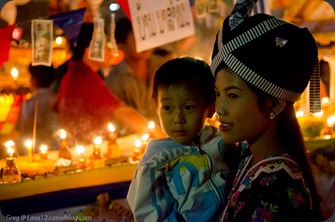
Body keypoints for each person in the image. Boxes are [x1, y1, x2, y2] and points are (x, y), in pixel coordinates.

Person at [211, 0, 324, 221]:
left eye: (232, 95)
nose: (219, 109)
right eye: (217, 93)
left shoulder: (277, 190)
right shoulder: (249, 157)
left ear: (274, 104)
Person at [127, 57, 239, 221]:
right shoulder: (156, 159)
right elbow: (147, 211)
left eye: (188, 107)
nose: (178, 118)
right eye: (167, 108)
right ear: (156, 107)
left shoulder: (223, 140)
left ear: (210, 108)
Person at [53, 10, 165, 144]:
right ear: (90, 51)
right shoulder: (84, 78)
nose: (109, 50)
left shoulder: (73, 74)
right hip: (88, 149)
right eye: (104, 45)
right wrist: (163, 138)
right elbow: (123, 113)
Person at [104, 17, 175, 135]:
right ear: (121, 46)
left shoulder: (165, 66)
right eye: (137, 39)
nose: (145, 44)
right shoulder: (115, 80)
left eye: (145, 37)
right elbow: (120, 123)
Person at [13, 64, 59, 154]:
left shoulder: (29, 103)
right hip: (57, 150)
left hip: (34, 153)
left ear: (33, 80)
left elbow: (22, 131)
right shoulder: (58, 99)